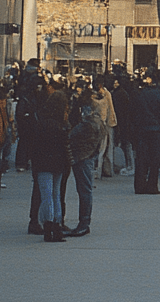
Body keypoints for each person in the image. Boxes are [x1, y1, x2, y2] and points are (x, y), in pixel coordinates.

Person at [66, 86, 105, 236]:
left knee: (84, 191)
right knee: (85, 190)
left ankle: (84, 222)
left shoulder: (87, 124)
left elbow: (72, 136)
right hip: (86, 156)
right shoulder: (96, 122)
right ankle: (84, 221)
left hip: (82, 157)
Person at [33, 90, 71, 243]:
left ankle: (48, 226)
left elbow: (34, 145)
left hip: (43, 162)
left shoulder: (41, 122)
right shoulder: (62, 124)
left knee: (46, 195)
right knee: (56, 194)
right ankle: (57, 225)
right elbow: (65, 145)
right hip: (58, 162)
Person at [132, 69, 160, 195]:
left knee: (141, 158)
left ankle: (139, 185)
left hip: (143, 128)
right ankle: (152, 186)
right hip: (157, 129)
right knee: (155, 159)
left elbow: (134, 111)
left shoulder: (141, 94)